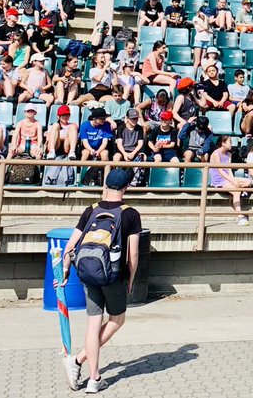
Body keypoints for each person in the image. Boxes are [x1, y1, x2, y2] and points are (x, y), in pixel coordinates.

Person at [59, 167, 142, 393]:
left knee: (93, 324)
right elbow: (133, 255)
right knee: (117, 320)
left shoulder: (91, 209)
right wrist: (131, 280)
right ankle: (78, 361)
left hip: (88, 274)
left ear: (105, 185)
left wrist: (65, 272)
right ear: (126, 187)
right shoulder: (130, 214)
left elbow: (70, 246)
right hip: (114, 276)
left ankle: (92, 376)